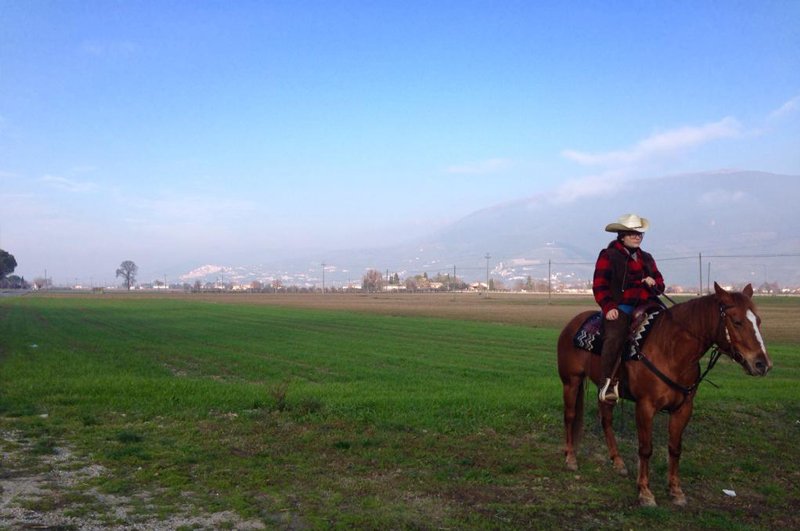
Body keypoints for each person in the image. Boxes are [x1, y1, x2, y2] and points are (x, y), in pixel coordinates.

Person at [593, 213, 665, 403]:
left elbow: (660, 284)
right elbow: (599, 286)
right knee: (615, 336)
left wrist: (653, 282)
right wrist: (608, 307)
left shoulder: (647, 258)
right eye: (632, 233)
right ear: (621, 235)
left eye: (639, 233)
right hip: (621, 307)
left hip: (649, 306)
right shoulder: (608, 255)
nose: (637, 237)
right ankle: (607, 383)